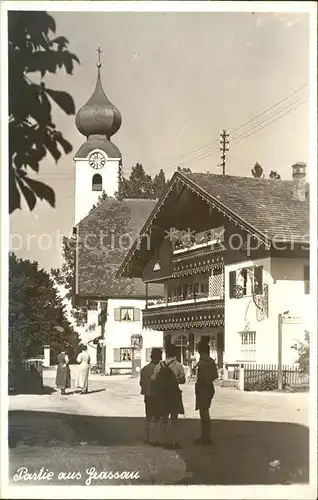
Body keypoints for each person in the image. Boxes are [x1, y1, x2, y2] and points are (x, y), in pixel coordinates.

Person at [151, 344, 185, 449]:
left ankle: (162, 440)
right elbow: (182, 380)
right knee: (174, 419)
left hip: (163, 395)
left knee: (164, 418)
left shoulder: (159, 365)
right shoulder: (179, 365)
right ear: (175, 353)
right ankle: (173, 442)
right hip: (174, 394)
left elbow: (153, 379)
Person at [194, 340, 219, 445]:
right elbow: (216, 376)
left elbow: (201, 377)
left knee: (203, 413)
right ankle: (206, 436)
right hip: (209, 387)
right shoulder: (212, 361)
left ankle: (205, 437)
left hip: (202, 387)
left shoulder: (202, 363)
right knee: (205, 411)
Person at [139, 348, 162, 445]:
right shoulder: (158, 369)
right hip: (156, 395)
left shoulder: (144, 369)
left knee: (148, 415)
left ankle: (146, 438)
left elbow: (141, 383)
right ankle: (153, 439)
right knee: (155, 417)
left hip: (147, 395)